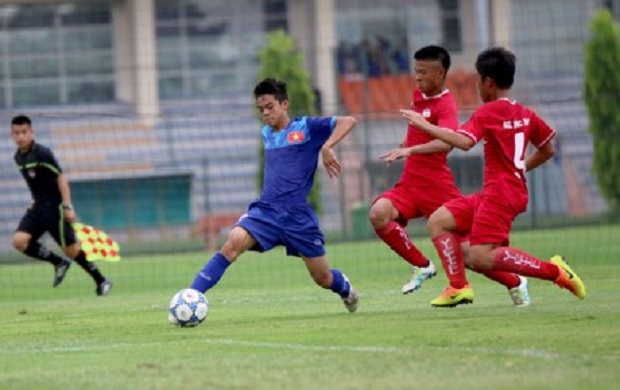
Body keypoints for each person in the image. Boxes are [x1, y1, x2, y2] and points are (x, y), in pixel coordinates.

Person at [401, 47, 586, 307]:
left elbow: (464, 142)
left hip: (500, 194)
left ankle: (555, 271)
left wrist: (425, 126)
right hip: (499, 191)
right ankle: (458, 286)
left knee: (480, 257)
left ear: (488, 82)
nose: (477, 86)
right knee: (439, 221)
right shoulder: (525, 112)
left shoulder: (487, 112)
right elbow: (548, 149)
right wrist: (519, 169)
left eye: (478, 80)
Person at [373, 45, 530, 307]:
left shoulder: (446, 104)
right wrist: (407, 141)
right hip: (411, 184)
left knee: (469, 255)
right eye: (415, 71)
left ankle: (515, 281)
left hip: (437, 186)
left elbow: (447, 144)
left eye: (423, 72)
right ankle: (422, 265)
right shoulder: (418, 96)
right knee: (378, 213)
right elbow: (421, 130)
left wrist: (410, 149)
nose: (417, 77)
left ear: (440, 73)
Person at [188, 78, 360, 312]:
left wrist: (327, 146)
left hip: (298, 217)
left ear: (284, 104)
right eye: (261, 109)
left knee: (323, 278)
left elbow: (348, 121)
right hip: (266, 211)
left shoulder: (306, 127)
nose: (265, 113)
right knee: (232, 243)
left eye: (270, 107)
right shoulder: (266, 134)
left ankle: (345, 288)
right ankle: (191, 295)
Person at [11, 115, 113, 296]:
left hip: (54, 207)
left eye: (24, 132)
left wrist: (67, 206)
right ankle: (58, 262)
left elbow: (61, 178)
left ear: (31, 132)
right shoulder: (18, 157)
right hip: (38, 207)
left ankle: (101, 280)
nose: (20, 136)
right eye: (16, 133)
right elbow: (35, 182)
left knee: (72, 249)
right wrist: (35, 200)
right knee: (19, 241)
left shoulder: (42, 153)